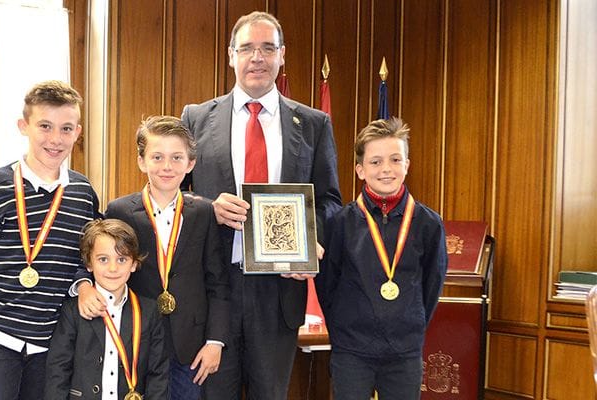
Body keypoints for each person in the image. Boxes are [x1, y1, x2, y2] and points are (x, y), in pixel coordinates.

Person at [180, 11, 343, 400]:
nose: (257, 57)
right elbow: (171, 196)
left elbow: (330, 201)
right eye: (247, 48)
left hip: (279, 292)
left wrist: (310, 241)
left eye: (267, 48)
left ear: (282, 55)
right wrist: (207, 206)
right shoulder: (197, 118)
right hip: (213, 287)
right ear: (230, 56)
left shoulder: (314, 123)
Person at [0, 80, 101, 400]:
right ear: (24, 126)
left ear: (78, 132)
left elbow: (85, 260)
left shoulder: (84, 194)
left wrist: (84, 283)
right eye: (45, 126)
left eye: (66, 128)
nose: (55, 139)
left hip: (51, 343)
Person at [315, 117, 447, 400]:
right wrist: (343, 329)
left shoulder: (428, 224)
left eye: (395, 159)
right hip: (351, 350)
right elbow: (327, 284)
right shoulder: (339, 223)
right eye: (375, 162)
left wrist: (409, 325)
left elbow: (431, 286)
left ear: (407, 165)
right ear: (360, 170)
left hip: (404, 352)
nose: (386, 169)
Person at [104, 115, 231, 399]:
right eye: (157, 157)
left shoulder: (204, 213)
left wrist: (215, 341)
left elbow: (218, 282)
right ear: (141, 161)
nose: (167, 167)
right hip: (134, 340)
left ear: (190, 163)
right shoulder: (120, 211)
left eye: (176, 158)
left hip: (190, 346)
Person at [45, 219, 168, 399]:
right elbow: (58, 370)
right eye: (103, 259)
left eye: (122, 259)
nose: (113, 268)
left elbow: (158, 373)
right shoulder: (72, 310)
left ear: (134, 264)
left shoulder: (149, 311)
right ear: (88, 264)